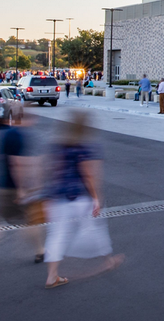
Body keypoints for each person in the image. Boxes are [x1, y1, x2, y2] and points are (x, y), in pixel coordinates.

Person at [42, 110, 122, 289]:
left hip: (57, 195)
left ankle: (52, 276)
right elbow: (88, 174)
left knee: (57, 235)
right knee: (94, 227)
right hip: (78, 196)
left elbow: (49, 168)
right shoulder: (86, 146)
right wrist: (96, 198)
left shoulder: (59, 143)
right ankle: (108, 260)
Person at [0, 108, 42, 278]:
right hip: (11, 188)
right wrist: (22, 189)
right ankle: (40, 251)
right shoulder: (16, 134)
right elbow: (17, 164)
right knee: (29, 221)